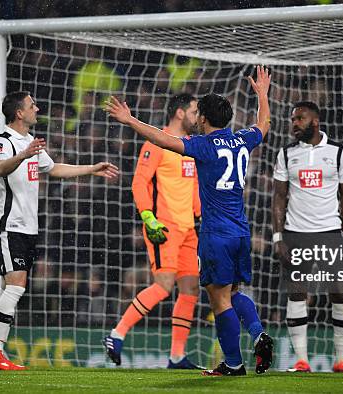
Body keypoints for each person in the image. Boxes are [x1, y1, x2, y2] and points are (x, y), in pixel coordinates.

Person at [105, 66, 273, 376]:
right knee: (233, 292)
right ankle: (258, 333)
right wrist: (262, 93)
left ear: (204, 119)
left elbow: (162, 139)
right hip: (240, 231)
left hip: (213, 233)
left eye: (199, 113)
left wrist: (130, 120)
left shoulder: (203, 146)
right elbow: (263, 124)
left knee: (219, 299)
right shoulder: (243, 140)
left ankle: (234, 364)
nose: (195, 117)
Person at [0, 91, 119, 370]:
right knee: (16, 287)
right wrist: (23, 155)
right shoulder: (4, 140)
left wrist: (92, 169)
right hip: (9, 225)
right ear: (19, 113)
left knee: (15, 287)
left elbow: (55, 168)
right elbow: (0, 169)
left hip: (28, 227)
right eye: (32, 105)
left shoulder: (30, 143)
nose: (37, 108)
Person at [103, 93, 203, 369]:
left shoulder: (191, 146)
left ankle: (177, 355)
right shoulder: (156, 142)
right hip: (163, 226)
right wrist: (149, 217)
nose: (197, 117)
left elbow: (192, 187)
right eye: (194, 111)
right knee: (163, 286)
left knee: (191, 289)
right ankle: (116, 334)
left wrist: (201, 217)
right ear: (180, 113)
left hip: (189, 229)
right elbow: (139, 183)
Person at [272, 101, 343, 374]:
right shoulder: (286, 154)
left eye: (300, 118)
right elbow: (278, 196)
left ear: (315, 122)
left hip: (329, 232)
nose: (294, 124)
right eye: (292, 119)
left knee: (339, 292)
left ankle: (342, 360)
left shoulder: (338, 151)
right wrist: (278, 236)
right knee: (297, 294)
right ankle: (301, 360)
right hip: (296, 233)